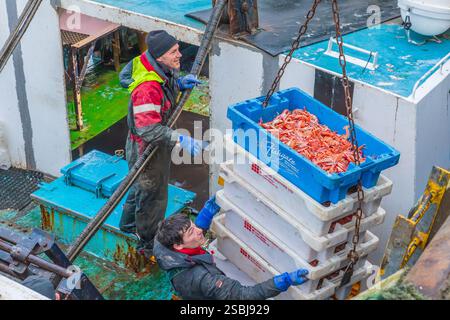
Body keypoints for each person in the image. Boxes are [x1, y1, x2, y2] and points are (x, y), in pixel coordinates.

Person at [118, 30, 205, 258]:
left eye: (178, 49)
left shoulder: (149, 64)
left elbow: (160, 80)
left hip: (137, 143)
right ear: (159, 57)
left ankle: (127, 226)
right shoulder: (147, 89)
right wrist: (180, 138)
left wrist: (177, 82)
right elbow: (148, 129)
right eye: (173, 52)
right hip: (146, 150)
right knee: (153, 196)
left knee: (138, 187)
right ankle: (147, 244)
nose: (179, 55)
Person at [154, 197, 309, 300]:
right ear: (178, 245)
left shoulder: (161, 244)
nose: (199, 230)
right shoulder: (205, 279)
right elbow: (244, 295)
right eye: (191, 232)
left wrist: (205, 216)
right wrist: (282, 282)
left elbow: (193, 233)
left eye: (194, 225)